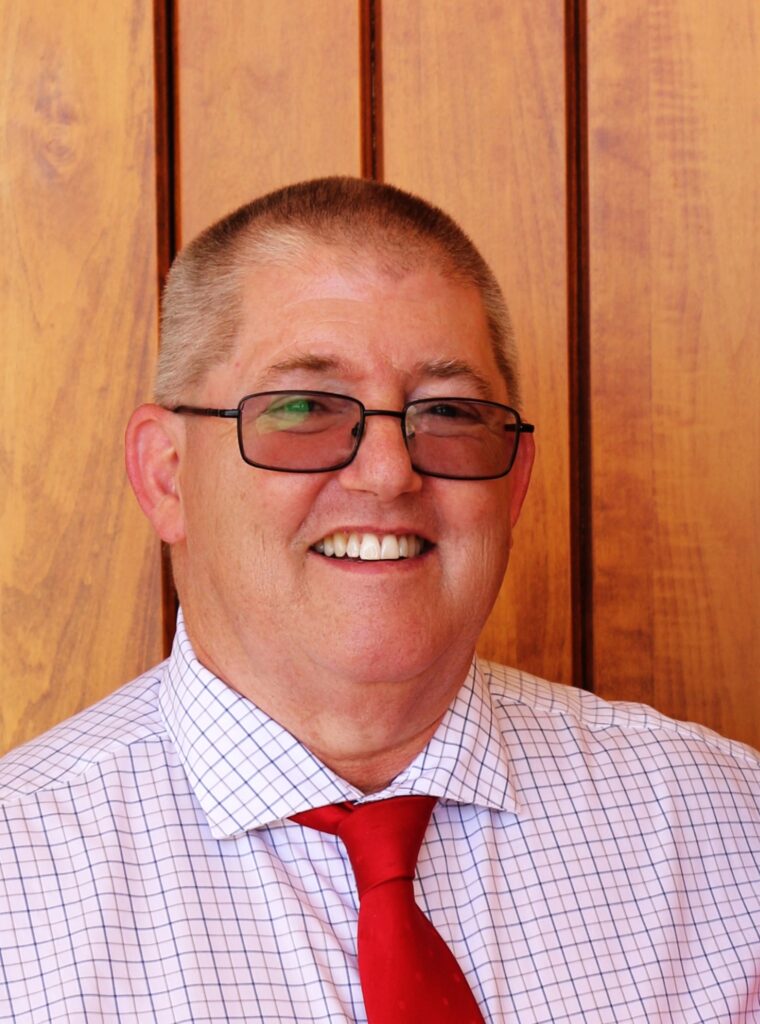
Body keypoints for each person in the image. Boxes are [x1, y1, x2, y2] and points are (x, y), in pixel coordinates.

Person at [0, 177, 758, 1024]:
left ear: (513, 485)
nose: (390, 473)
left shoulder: (726, 831)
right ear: (167, 476)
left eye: (449, 412)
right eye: (304, 407)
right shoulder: (17, 884)